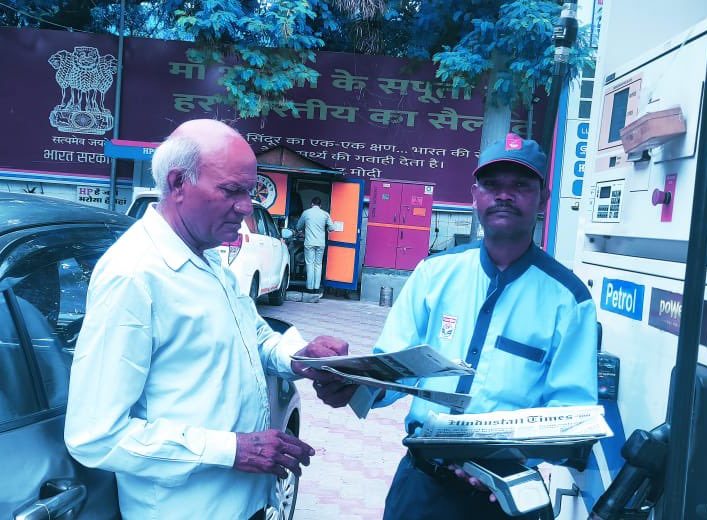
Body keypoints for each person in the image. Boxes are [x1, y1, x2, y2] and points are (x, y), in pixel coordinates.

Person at [64, 119, 357, 519]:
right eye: (231, 191)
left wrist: (300, 357)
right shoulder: (134, 275)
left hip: (246, 504)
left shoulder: (209, 258)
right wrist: (233, 449)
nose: (246, 207)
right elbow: (95, 436)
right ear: (178, 183)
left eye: (250, 192)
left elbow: (254, 336)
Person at [360, 133, 599, 520]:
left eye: (520, 185)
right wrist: (350, 382)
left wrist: (504, 461)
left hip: (504, 499)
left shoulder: (569, 301)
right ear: (475, 196)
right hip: (423, 489)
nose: (504, 195)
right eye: (492, 185)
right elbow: (391, 369)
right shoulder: (434, 274)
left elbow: (570, 416)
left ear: (543, 199)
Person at [294, 196, 333, 295]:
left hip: (309, 243)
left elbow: (298, 227)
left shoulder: (306, 213)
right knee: (318, 265)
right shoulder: (325, 214)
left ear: (311, 204)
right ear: (320, 205)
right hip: (320, 243)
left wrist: (304, 230)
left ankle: (309, 288)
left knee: (310, 264)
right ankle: (316, 287)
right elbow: (331, 228)